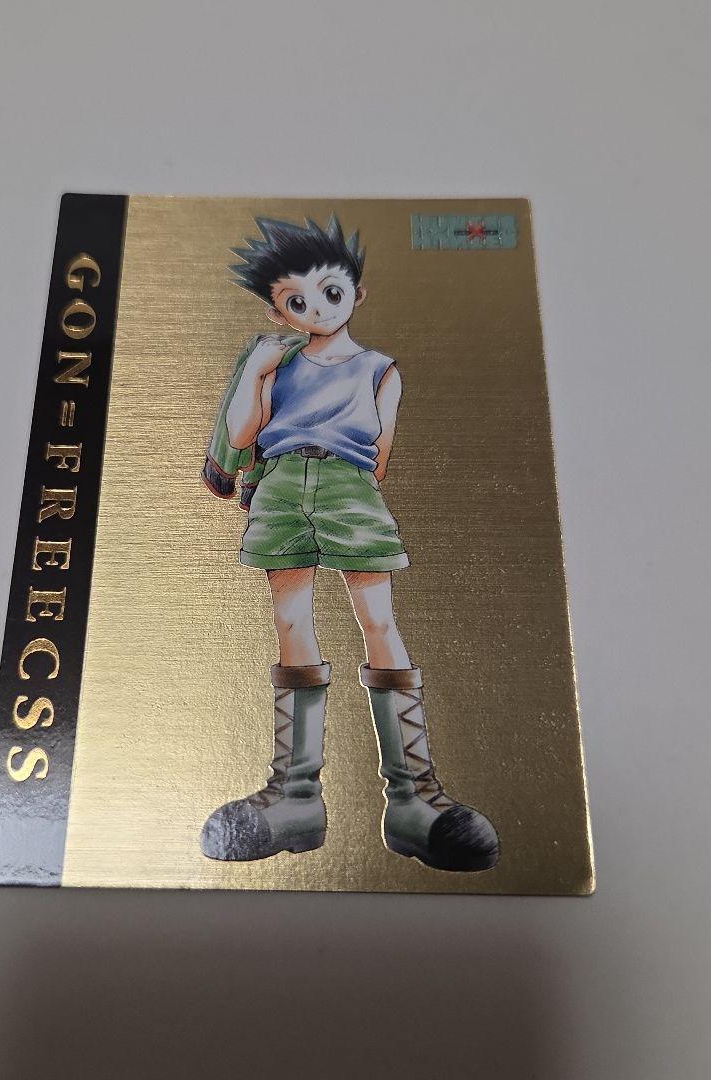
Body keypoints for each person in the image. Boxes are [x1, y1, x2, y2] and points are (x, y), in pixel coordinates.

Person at [199, 215, 499, 872]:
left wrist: (340, 471)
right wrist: (254, 372)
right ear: (278, 312)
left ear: (357, 293)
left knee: (379, 621)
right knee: (291, 624)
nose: (315, 309)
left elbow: (378, 456)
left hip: (347, 490)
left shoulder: (379, 370)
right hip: (281, 490)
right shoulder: (275, 363)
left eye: (330, 292)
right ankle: (296, 797)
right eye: (295, 303)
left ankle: (413, 797)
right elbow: (243, 435)